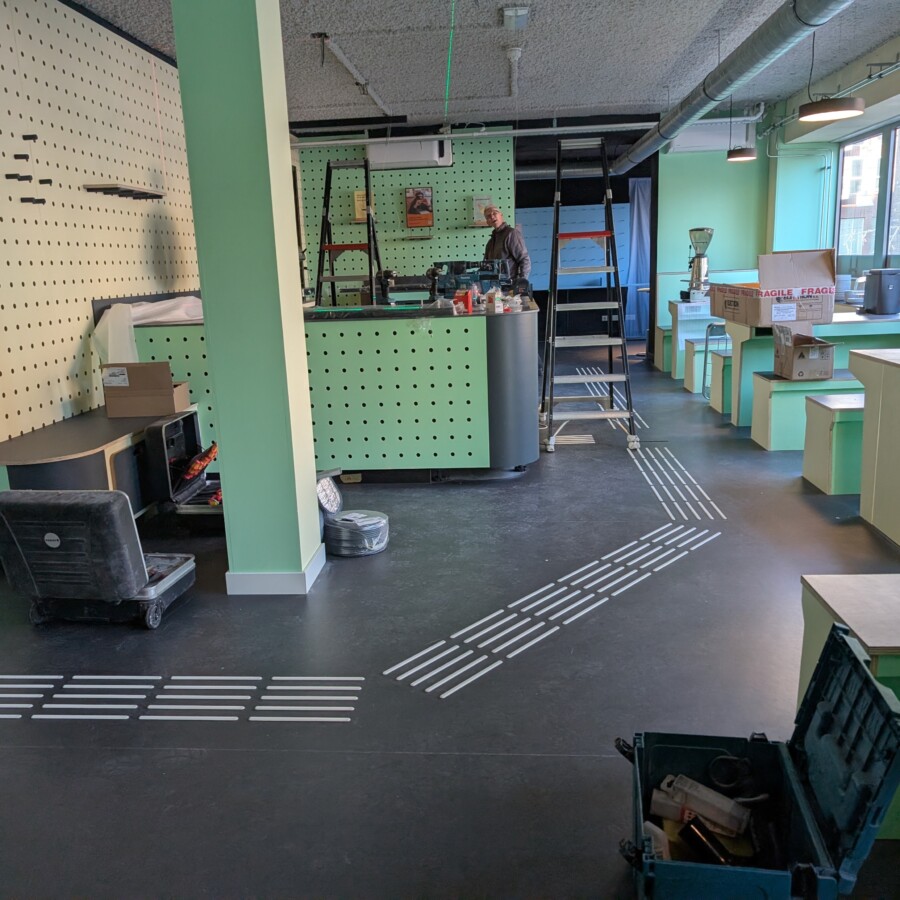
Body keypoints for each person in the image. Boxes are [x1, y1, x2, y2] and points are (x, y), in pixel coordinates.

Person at [483, 205, 531, 285]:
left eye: (494, 213)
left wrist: (520, 284)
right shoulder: (490, 243)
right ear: (488, 222)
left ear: (501, 215)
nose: (492, 216)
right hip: (496, 288)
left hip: (510, 286)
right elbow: (486, 267)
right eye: (488, 216)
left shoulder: (511, 234)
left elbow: (524, 259)